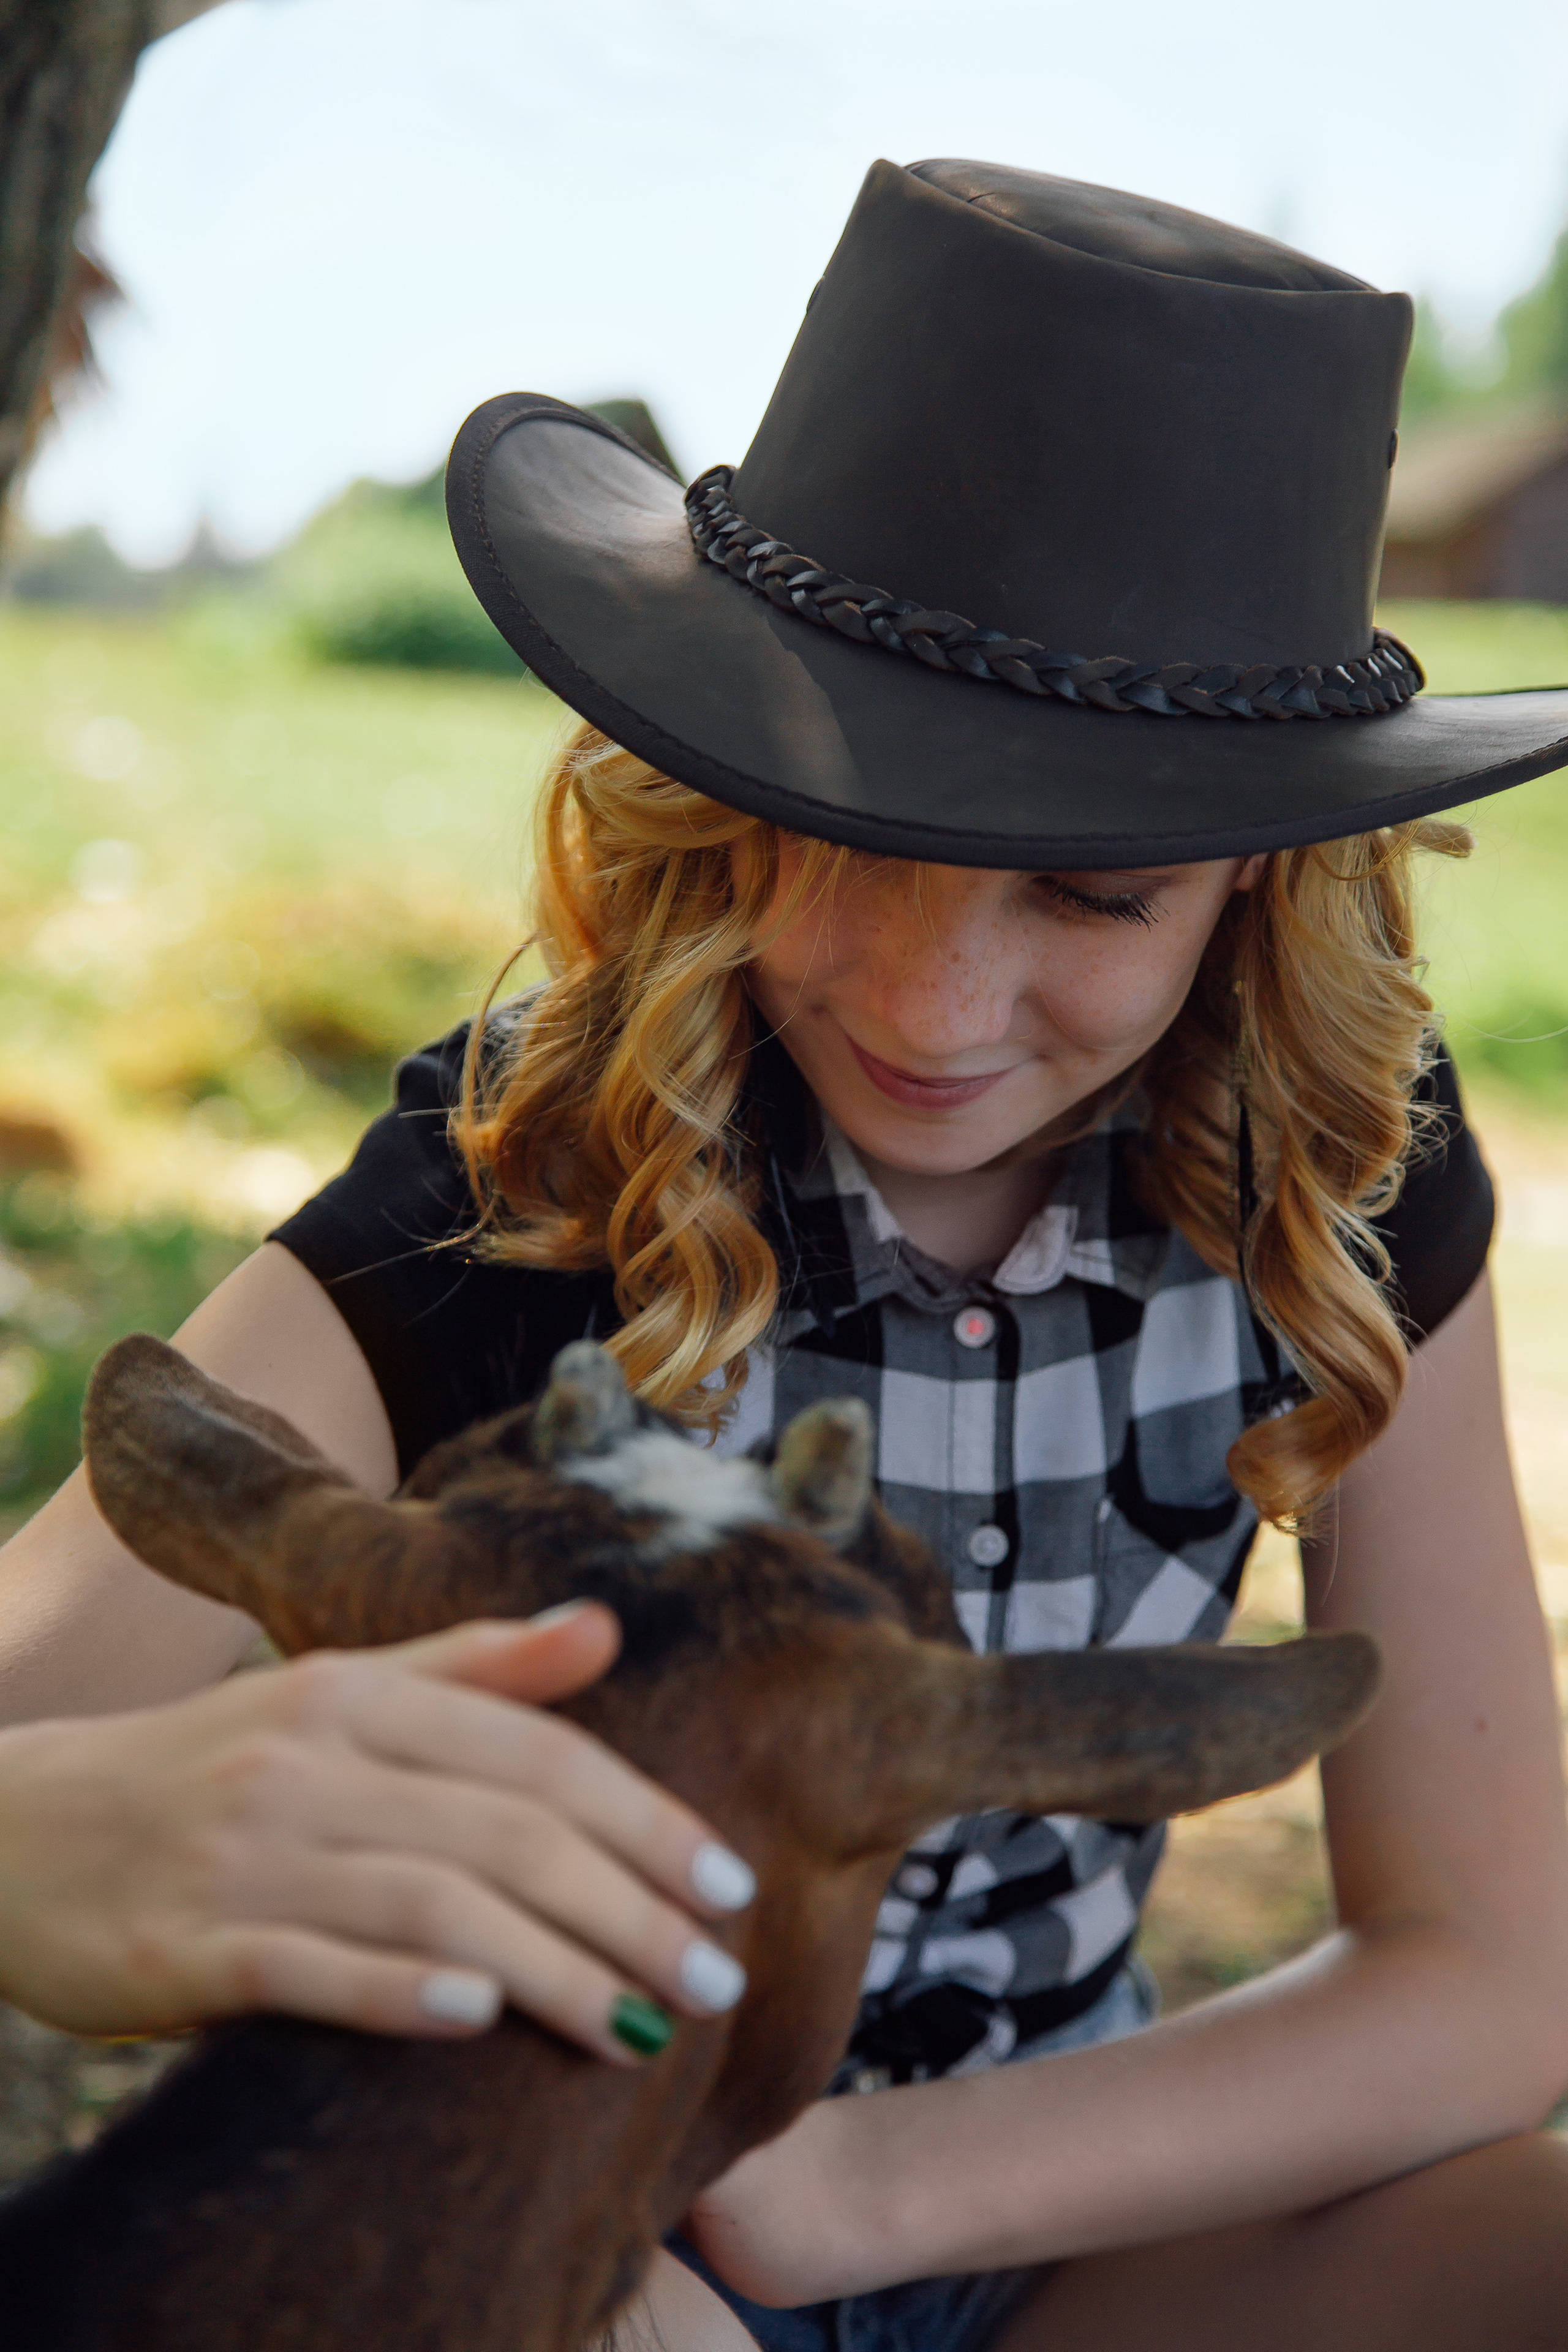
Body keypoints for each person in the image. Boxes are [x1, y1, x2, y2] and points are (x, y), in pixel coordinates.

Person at [3, 157, 1568, 2348]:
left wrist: (849, 2193)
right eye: (840, 826)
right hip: (564, 2241)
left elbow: (1494, 1977)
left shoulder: (1339, 1186)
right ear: (708, 767)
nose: (929, 1007)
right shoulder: (526, 1169)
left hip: (1047, 2219)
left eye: (1096, 895)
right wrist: (46, 1846)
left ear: (1267, 878)